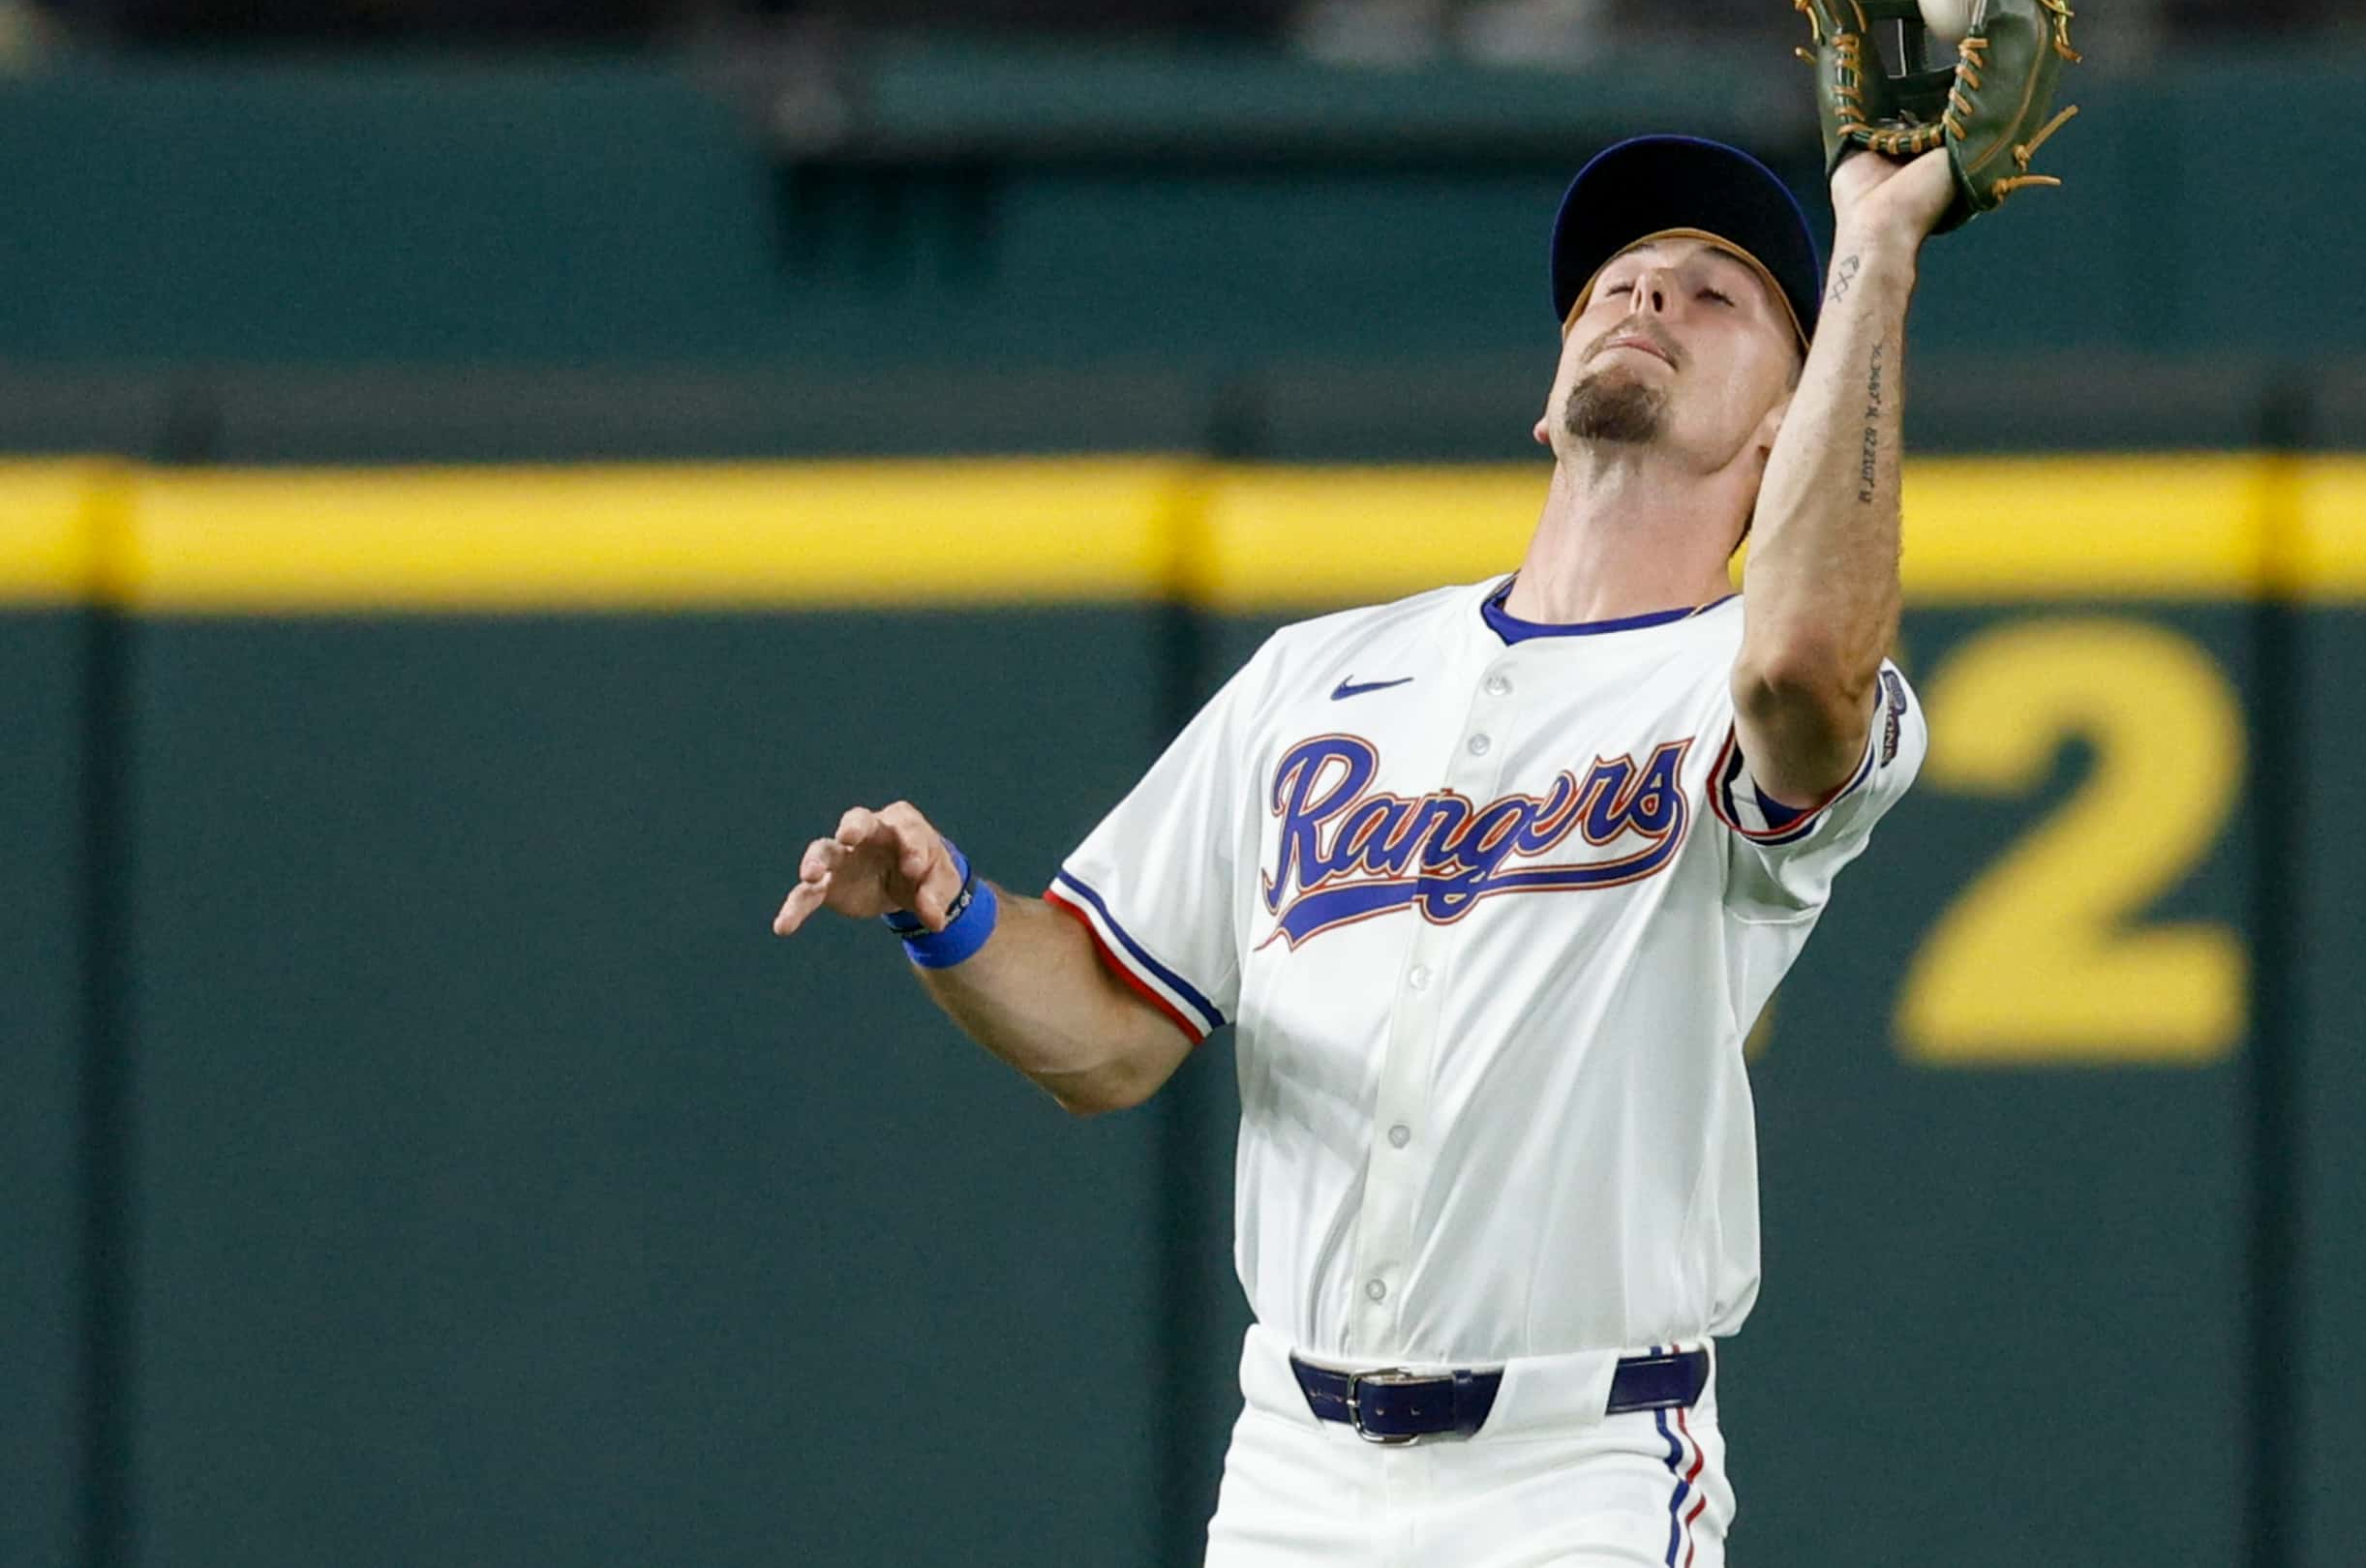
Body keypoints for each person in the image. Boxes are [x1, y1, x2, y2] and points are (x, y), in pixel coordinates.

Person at [774, 132, 1952, 1564]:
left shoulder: (1735, 685)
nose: (1647, 298)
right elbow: (1109, 1031)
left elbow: (1807, 669)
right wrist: (947, 911)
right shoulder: (1318, 678)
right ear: (1548, 390)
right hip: (1293, 1474)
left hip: (1573, 1472)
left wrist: (1876, 254)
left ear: (1788, 429)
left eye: (1717, 297)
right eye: (1615, 286)